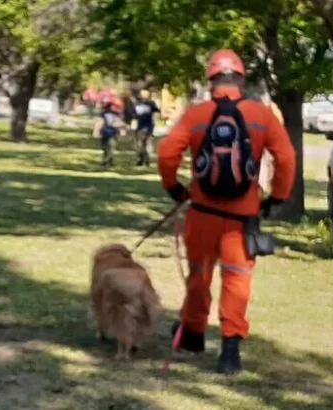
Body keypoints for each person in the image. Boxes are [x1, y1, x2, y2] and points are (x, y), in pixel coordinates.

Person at [156, 49, 296, 374]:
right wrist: (277, 197)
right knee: (237, 280)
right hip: (241, 218)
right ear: (241, 79)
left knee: (199, 273)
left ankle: (192, 335)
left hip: (201, 212)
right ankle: (230, 352)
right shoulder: (261, 115)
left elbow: (166, 153)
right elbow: (286, 158)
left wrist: (174, 188)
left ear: (211, 80)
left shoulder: (197, 114)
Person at [93, 97, 127, 167]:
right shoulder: (115, 114)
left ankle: (107, 161)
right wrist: (122, 130)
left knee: (107, 148)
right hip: (111, 133)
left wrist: (96, 131)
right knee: (109, 148)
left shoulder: (104, 114)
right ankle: (108, 161)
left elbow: (99, 123)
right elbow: (119, 123)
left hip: (107, 132)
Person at [133, 89, 160, 166]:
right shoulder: (147, 104)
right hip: (144, 126)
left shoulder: (141, 104)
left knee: (142, 143)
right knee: (144, 144)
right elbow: (157, 111)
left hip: (144, 126)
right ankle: (144, 160)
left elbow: (133, 114)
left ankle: (142, 160)